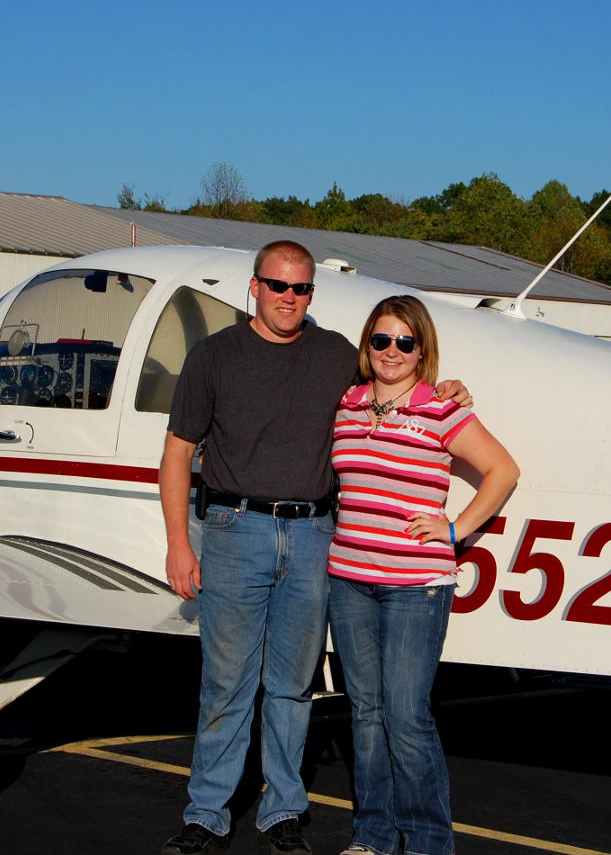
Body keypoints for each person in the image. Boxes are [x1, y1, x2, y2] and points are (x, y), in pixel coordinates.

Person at [159, 242, 470, 855]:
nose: (289, 298)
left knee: (293, 685)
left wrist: (448, 388)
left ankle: (282, 812)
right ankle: (208, 812)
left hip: (312, 536)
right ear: (254, 287)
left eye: (301, 289)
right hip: (232, 528)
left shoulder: (335, 355)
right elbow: (175, 454)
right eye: (278, 286)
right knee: (226, 683)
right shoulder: (212, 355)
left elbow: (395, 381)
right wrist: (177, 545)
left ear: (311, 295)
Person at [327, 295, 519, 855]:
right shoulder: (346, 402)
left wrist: (456, 530)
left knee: (407, 717)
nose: (392, 352)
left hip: (416, 586)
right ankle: (374, 836)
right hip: (349, 579)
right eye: (382, 340)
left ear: (421, 349)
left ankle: (430, 843)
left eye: (405, 342)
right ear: (368, 345)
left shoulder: (439, 407)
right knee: (365, 715)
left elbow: (502, 471)